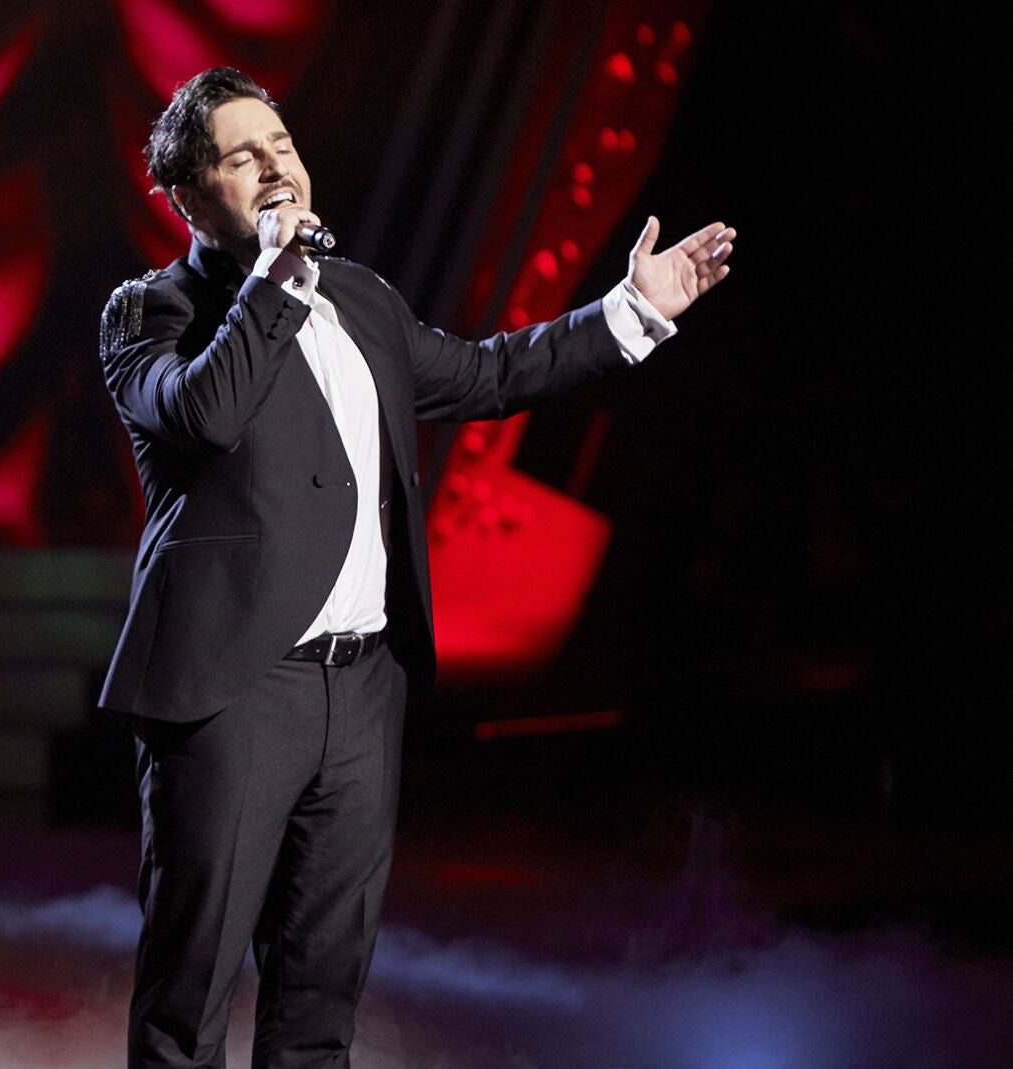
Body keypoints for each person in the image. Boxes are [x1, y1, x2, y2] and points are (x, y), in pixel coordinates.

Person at [97, 67, 733, 1068]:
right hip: (231, 690)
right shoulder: (149, 313)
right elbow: (205, 411)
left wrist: (629, 311)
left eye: (281, 145)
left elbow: (487, 375)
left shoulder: (361, 297)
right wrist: (268, 281)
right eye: (239, 157)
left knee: (320, 989)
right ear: (186, 195)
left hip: (362, 693)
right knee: (189, 993)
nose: (273, 168)